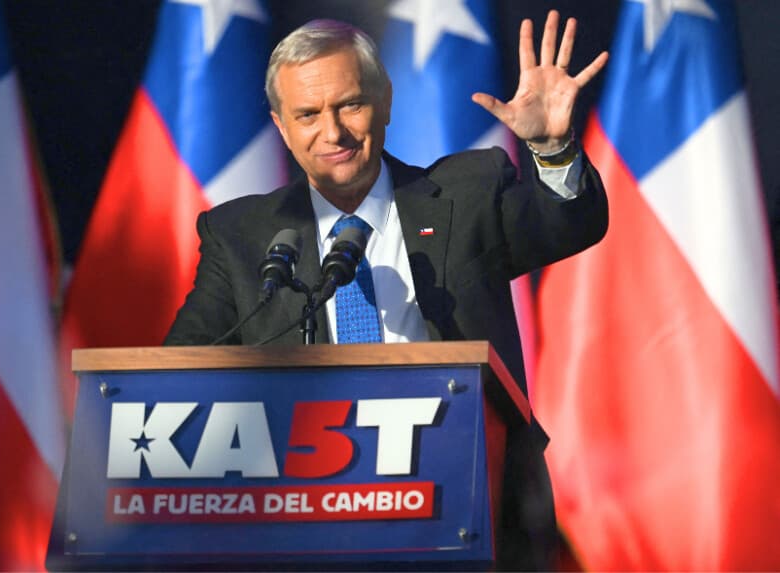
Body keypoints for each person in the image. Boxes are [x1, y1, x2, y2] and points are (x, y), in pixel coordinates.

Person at [166, 11, 608, 570]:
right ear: (280, 125)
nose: (333, 132)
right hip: (306, 522)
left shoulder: (467, 194)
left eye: (350, 105)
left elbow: (567, 225)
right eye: (308, 114)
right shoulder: (241, 236)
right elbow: (176, 374)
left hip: (474, 508)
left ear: (385, 101)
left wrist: (553, 149)